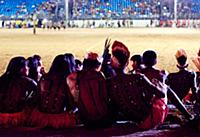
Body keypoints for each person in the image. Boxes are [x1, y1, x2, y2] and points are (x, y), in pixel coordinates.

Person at [30, 54, 76, 128]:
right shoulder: (66, 81)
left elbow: (36, 99)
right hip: (58, 119)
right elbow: (71, 105)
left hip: (40, 117)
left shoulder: (44, 78)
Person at [76, 52, 112, 129]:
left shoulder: (77, 76)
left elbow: (76, 99)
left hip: (86, 121)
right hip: (103, 119)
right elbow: (105, 96)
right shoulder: (99, 75)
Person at [0, 56, 37, 127]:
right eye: (27, 66)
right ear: (21, 69)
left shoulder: (2, 79)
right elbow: (39, 96)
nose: (28, 68)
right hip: (18, 117)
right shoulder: (28, 81)